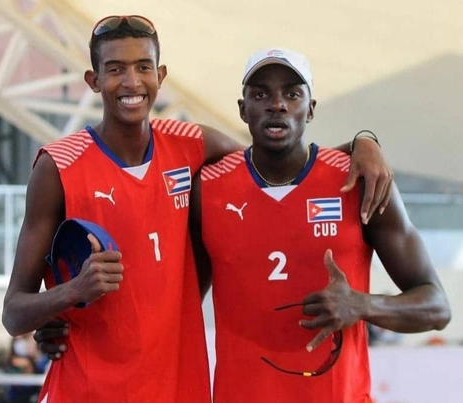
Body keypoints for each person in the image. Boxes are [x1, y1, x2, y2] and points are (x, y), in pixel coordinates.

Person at [2, 15, 391, 403]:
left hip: (178, 388)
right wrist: (70, 293)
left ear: (161, 75)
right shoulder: (58, 166)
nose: (132, 82)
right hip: (87, 389)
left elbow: (276, 160)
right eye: (115, 69)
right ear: (94, 80)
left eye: (143, 67)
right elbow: (14, 313)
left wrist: (361, 144)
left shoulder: (191, 144)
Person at [188, 48, 451, 403]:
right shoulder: (207, 190)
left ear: (310, 109)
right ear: (243, 110)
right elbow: (180, 304)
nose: (277, 104)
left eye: (293, 94)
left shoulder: (359, 181)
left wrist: (362, 305)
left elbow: (436, 307)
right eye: (261, 94)